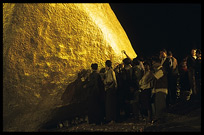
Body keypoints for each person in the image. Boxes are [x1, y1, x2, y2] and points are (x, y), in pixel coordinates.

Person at [151, 56, 168, 123]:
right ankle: (159, 118)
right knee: (158, 105)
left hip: (161, 90)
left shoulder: (161, 70)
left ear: (158, 63)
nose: (153, 65)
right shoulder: (159, 70)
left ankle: (160, 119)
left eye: (153, 63)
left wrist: (150, 72)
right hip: (158, 89)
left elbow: (154, 77)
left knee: (160, 105)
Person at [104, 60, 118, 124]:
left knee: (110, 104)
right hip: (111, 89)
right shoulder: (111, 71)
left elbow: (110, 81)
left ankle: (112, 119)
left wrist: (106, 84)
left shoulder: (110, 71)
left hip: (110, 90)